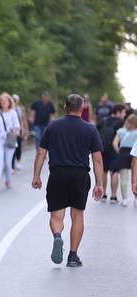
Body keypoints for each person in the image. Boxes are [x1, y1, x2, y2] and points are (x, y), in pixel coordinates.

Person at [32, 94, 104, 267]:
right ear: (82, 108)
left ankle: (57, 236)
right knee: (77, 215)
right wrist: (99, 184)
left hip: (58, 174)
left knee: (57, 215)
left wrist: (36, 176)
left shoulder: (53, 126)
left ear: (65, 106)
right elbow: (97, 159)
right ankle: (73, 256)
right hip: (80, 175)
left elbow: (41, 153)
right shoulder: (90, 129)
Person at [96, 104, 126, 203]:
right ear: (117, 112)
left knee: (104, 171)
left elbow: (96, 133)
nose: (124, 114)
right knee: (114, 172)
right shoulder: (121, 123)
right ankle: (113, 196)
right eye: (123, 112)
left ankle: (103, 194)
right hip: (115, 149)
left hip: (102, 149)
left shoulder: (103, 120)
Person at [0, 93, 21, 189]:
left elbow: (17, 127)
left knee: (8, 163)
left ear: (9, 103)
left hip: (9, 140)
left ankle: (8, 180)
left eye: (5, 101)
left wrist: (14, 131)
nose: (3, 103)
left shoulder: (13, 112)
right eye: (2, 101)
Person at [112, 114, 137, 206]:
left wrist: (119, 151)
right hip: (134, 153)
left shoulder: (121, 131)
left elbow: (114, 143)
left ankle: (124, 200)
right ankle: (136, 198)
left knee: (123, 177)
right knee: (135, 177)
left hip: (123, 153)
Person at [11, 94, 29, 170]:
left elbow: (24, 120)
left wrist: (26, 130)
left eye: (15, 100)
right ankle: (11, 163)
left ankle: (18, 161)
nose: (14, 101)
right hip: (11, 131)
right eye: (13, 99)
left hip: (19, 130)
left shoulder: (20, 109)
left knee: (18, 147)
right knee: (12, 147)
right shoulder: (8, 109)